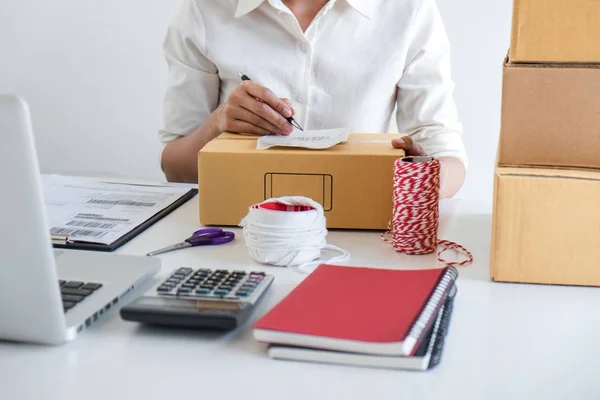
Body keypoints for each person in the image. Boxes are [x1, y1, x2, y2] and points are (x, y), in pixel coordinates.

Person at [159, 0, 467, 198]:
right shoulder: (204, 10)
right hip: (239, 229)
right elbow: (175, 168)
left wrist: (422, 178)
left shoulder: (408, 10)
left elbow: (446, 153)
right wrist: (217, 124)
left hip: (363, 230)